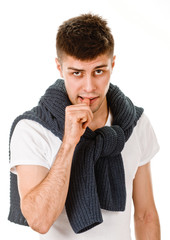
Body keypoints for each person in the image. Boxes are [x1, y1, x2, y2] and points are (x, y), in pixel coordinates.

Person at [9, 13, 161, 240]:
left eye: (99, 71)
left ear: (113, 64)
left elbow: (146, 215)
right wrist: (69, 143)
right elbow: (39, 221)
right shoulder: (32, 129)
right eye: (77, 73)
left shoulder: (135, 124)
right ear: (60, 68)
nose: (89, 87)